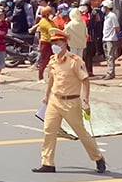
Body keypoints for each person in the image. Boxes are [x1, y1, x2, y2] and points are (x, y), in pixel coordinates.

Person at [33, 30, 108, 174]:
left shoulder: (75, 61)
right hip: (55, 100)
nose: (55, 45)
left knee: (80, 132)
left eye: (57, 42)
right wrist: (47, 96)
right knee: (49, 131)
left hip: (71, 101)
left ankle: (98, 158)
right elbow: (52, 79)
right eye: (53, 43)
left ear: (65, 43)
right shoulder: (53, 60)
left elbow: (85, 80)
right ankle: (47, 163)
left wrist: (85, 101)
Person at [31, 5, 56, 81]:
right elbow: (52, 29)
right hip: (45, 43)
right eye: (50, 13)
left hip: (52, 42)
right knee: (44, 60)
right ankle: (40, 77)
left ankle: (51, 77)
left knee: (53, 60)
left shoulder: (50, 21)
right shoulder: (43, 22)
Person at [101, 3, 120, 80]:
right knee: (107, 56)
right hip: (105, 38)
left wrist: (116, 37)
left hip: (111, 39)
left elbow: (117, 28)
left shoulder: (112, 16)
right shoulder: (106, 16)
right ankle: (109, 72)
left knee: (110, 56)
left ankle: (110, 73)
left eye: (104, 7)